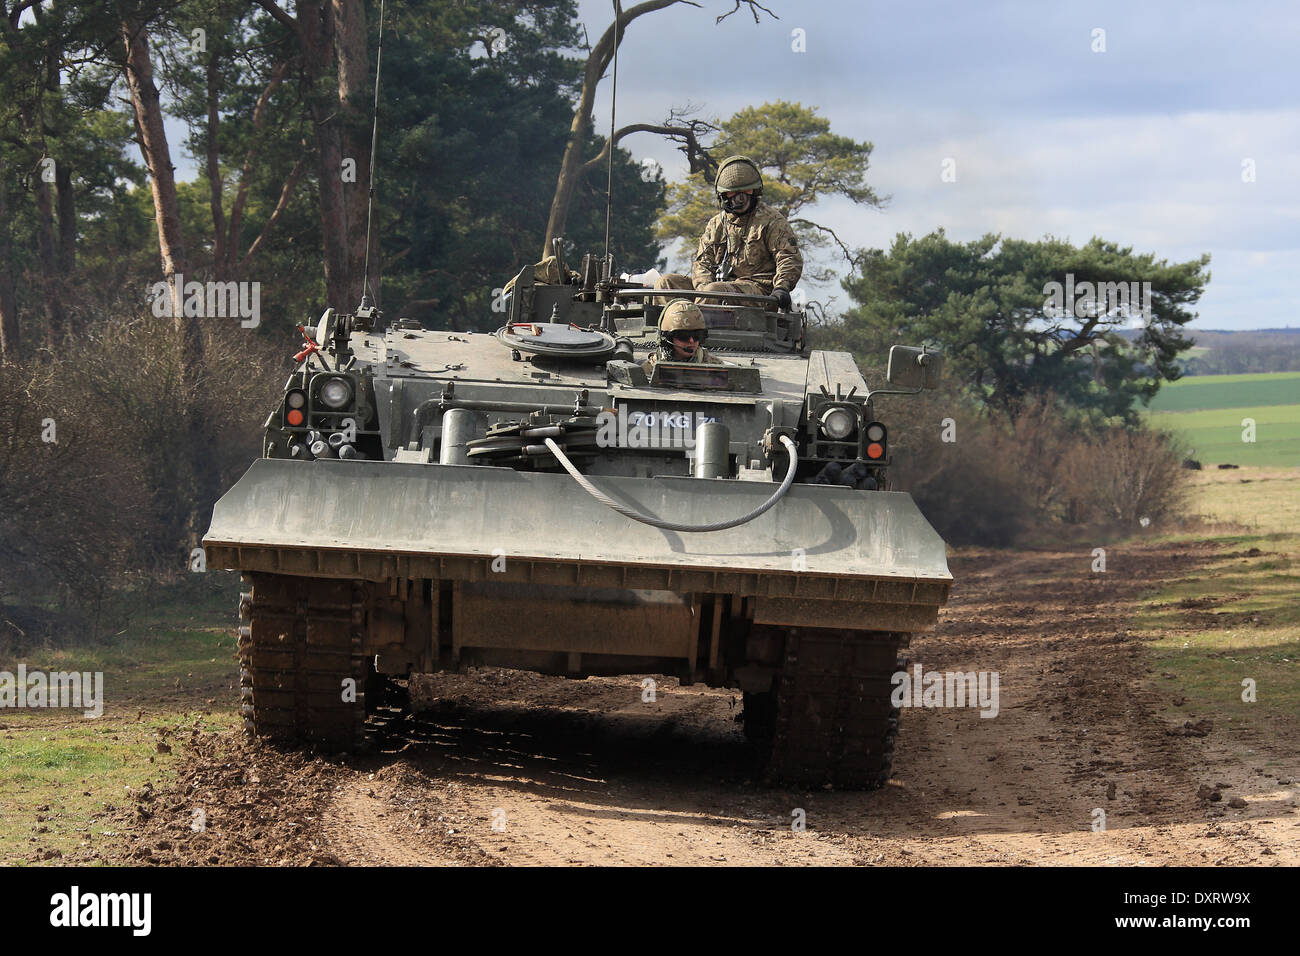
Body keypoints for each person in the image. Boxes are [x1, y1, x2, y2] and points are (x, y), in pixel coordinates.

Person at [654, 155, 803, 310]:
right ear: (723, 195)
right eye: (734, 192)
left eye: (746, 191)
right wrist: (703, 289)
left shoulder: (772, 221)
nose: (740, 198)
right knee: (665, 283)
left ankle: (698, 330)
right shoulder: (716, 224)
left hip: (758, 292)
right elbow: (703, 263)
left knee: (714, 291)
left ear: (756, 191)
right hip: (715, 290)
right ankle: (669, 331)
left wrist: (781, 287)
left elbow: (788, 258)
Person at [642, 299, 723, 377]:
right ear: (667, 338)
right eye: (683, 336)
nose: (691, 341)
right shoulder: (649, 369)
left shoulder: (716, 367)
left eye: (697, 335)